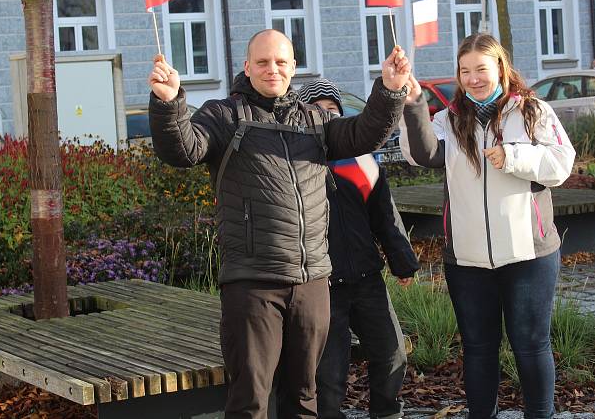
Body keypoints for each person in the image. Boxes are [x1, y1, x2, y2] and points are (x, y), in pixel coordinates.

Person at [147, 29, 411, 419]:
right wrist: (169, 104)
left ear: (293, 68)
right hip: (253, 283)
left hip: (311, 282)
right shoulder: (224, 115)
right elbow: (183, 149)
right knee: (251, 399)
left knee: (305, 397)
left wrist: (389, 90)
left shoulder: (315, 120)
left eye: (281, 62)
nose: (273, 69)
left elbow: (363, 133)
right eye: (264, 62)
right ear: (247, 67)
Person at [398, 33, 575, 419]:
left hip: (529, 253)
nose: (474, 78)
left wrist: (513, 157)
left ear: (500, 67)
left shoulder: (532, 111)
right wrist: (413, 104)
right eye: (465, 71)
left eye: (482, 68)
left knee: (531, 346)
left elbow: (562, 164)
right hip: (467, 259)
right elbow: (419, 154)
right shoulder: (447, 119)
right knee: (478, 349)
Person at [297, 78, 420, 419]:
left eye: (332, 111)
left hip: (367, 279)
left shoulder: (360, 161)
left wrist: (403, 262)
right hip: (322, 286)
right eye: (316, 111)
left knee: (391, 354)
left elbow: (385, 215)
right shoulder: (297, 164)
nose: (325, 117)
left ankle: (387, 412)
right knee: (329, 373)